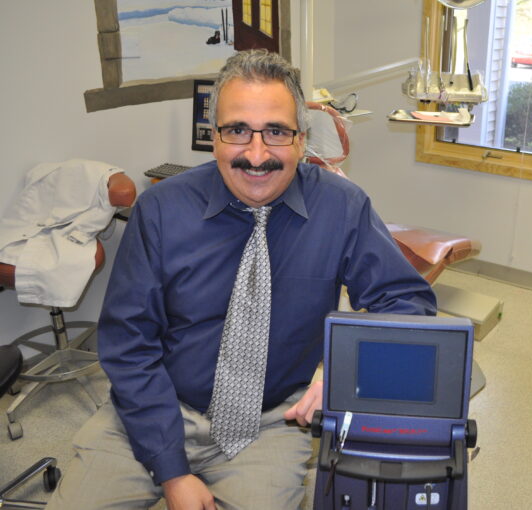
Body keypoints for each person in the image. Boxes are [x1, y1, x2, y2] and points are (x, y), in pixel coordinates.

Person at [46, 49, 436, 510]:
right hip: (154, 406)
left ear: (301, 140)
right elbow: (128, 345)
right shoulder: (161, 211)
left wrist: (347, 373)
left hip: (272, 421)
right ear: (214, 138)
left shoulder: (343, 208)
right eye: (237, 131)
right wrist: (173, 474)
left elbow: (410, 305)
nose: (256, 155)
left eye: (275, 132)